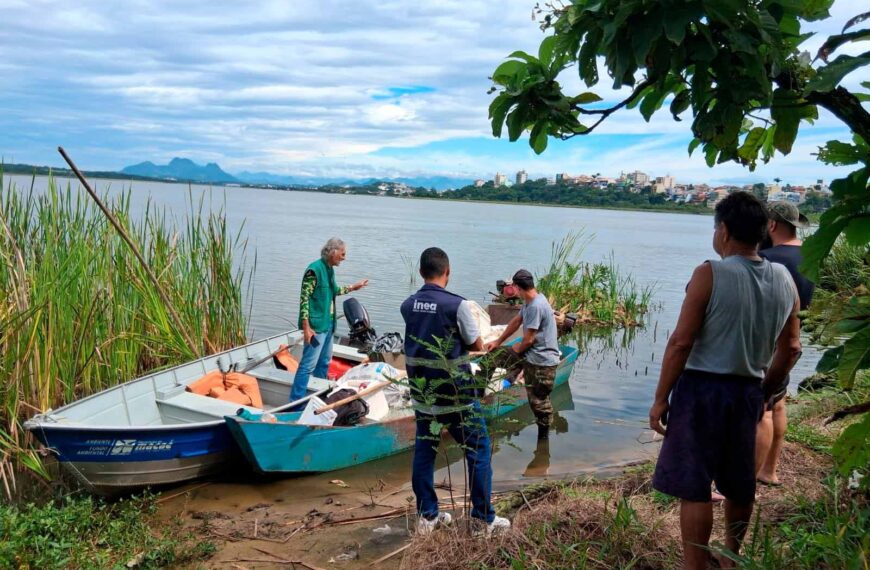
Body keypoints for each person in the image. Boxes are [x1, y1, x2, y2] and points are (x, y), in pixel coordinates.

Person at [648, 192, 801, 570]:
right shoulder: (783, 278)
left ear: (725, 231)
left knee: (695, 485)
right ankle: (732, 557)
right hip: (748, 389)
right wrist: (768, 388)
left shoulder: (709, 273)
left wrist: (660, 398)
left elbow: (681, 341)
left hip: (702, 390)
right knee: (739, 481)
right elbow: (792, 347)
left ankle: (695, 564)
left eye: (716, 227)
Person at [400, 247, 510, 536]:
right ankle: (482, 520)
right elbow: (475, 345)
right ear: (447, 272)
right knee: (478, 449)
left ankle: (428, 517)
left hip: (423, 395)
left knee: (425, 451)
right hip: (457, 398)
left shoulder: (407, 305)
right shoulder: (456, 305)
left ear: (421, 272)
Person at [755, 201, 814, 486]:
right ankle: (770, 469)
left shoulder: (768, 259)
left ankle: (749, 475)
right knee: (778, 404)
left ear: (772, 225)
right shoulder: (812, 256)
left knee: (761, 409)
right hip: (793, 339)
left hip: (767, 343)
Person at [485, 269, 562, 438]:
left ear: (519, 288)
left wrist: (516, 348)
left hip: (542, 361)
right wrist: (498, 342)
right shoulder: (530, 301)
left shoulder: (536, 305)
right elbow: (516, 321)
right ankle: (476, 397)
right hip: (530, 354)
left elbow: (528, 340)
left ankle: (543, 444)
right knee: (493, 357)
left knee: (539, 403)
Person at [290, 238, 368, 402]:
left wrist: (354, 287)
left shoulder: (329, 269)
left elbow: (335, 290)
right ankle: (295, 401)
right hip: (316, 328)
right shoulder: (314, 270)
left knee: (324, 362)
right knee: (307, 366)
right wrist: (306, 328)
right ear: (333, 252)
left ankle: (319, 396)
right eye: (343, 254)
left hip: (329, 325)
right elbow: (304, 299)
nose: (344, 257)